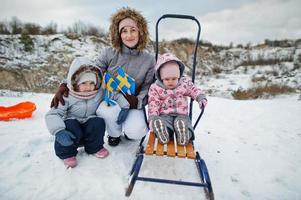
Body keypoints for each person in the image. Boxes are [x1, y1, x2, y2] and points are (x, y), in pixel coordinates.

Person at [50, 7, 155, 147]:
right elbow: (89, 72)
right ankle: (114, 134)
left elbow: (148, 86)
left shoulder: (148, 59)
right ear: (118, 33)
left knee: (137, 130)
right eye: (124, 31)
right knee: (105, 111)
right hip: (111, 98)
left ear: (140, 32)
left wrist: (137, 102)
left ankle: (129, 134)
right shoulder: (109, 53)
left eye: (133, 30)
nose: (129, 35)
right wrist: (65, 85)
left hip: (134, 102)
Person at [45, 57, 109, 168]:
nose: (88, 87)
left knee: (97, 122)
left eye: (91, 83)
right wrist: (58, 131)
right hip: (71, 133)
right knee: (70, 124)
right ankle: (67, 153)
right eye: (83, 83)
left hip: (89, 127)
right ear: (75, 83)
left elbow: (111, 89)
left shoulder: (99, 93)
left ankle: (94, 147)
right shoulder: (66, 95)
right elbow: (53, 114)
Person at [148, 53, 208, 146]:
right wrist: (153, 117)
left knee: (186, 124)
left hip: (182, 115)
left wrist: (200, 97)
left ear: (179, 76)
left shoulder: (184, 83)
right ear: (161, 77)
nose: (171, 81)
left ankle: (184, 134)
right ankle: (164, 132)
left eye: (174, 78)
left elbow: (193, 90)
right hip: (165, 114)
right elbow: (153, 103)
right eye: (167, 79)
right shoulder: (156, 87)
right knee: (164, 123)